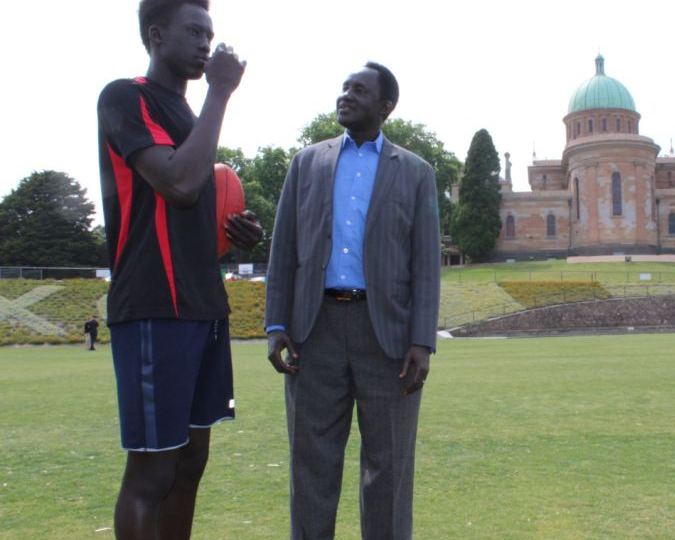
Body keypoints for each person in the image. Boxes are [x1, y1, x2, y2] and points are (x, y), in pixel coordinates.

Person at [96, 1, 260, 537]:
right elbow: (179, 183)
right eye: (194, 31)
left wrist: (232, 236)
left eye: (210, 33)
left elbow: (187, 209)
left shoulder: (192, 121)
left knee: (191, 462)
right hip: (152, 306)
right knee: (153, 469)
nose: (205, 43)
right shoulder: (125, 97)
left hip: (202, 305)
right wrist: (220, 92)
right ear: (156, 34)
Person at [265, 62, 440, 539]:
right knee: (311, 467)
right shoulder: (307, 163)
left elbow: (426, 264)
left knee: (389, 470)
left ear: (386, 107)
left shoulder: (417, 173)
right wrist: (275, 324)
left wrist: (423, 340)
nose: (346, 96)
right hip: (312, 333)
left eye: (359, 91)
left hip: (387, 338)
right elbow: (283, 251)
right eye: (344, 88)